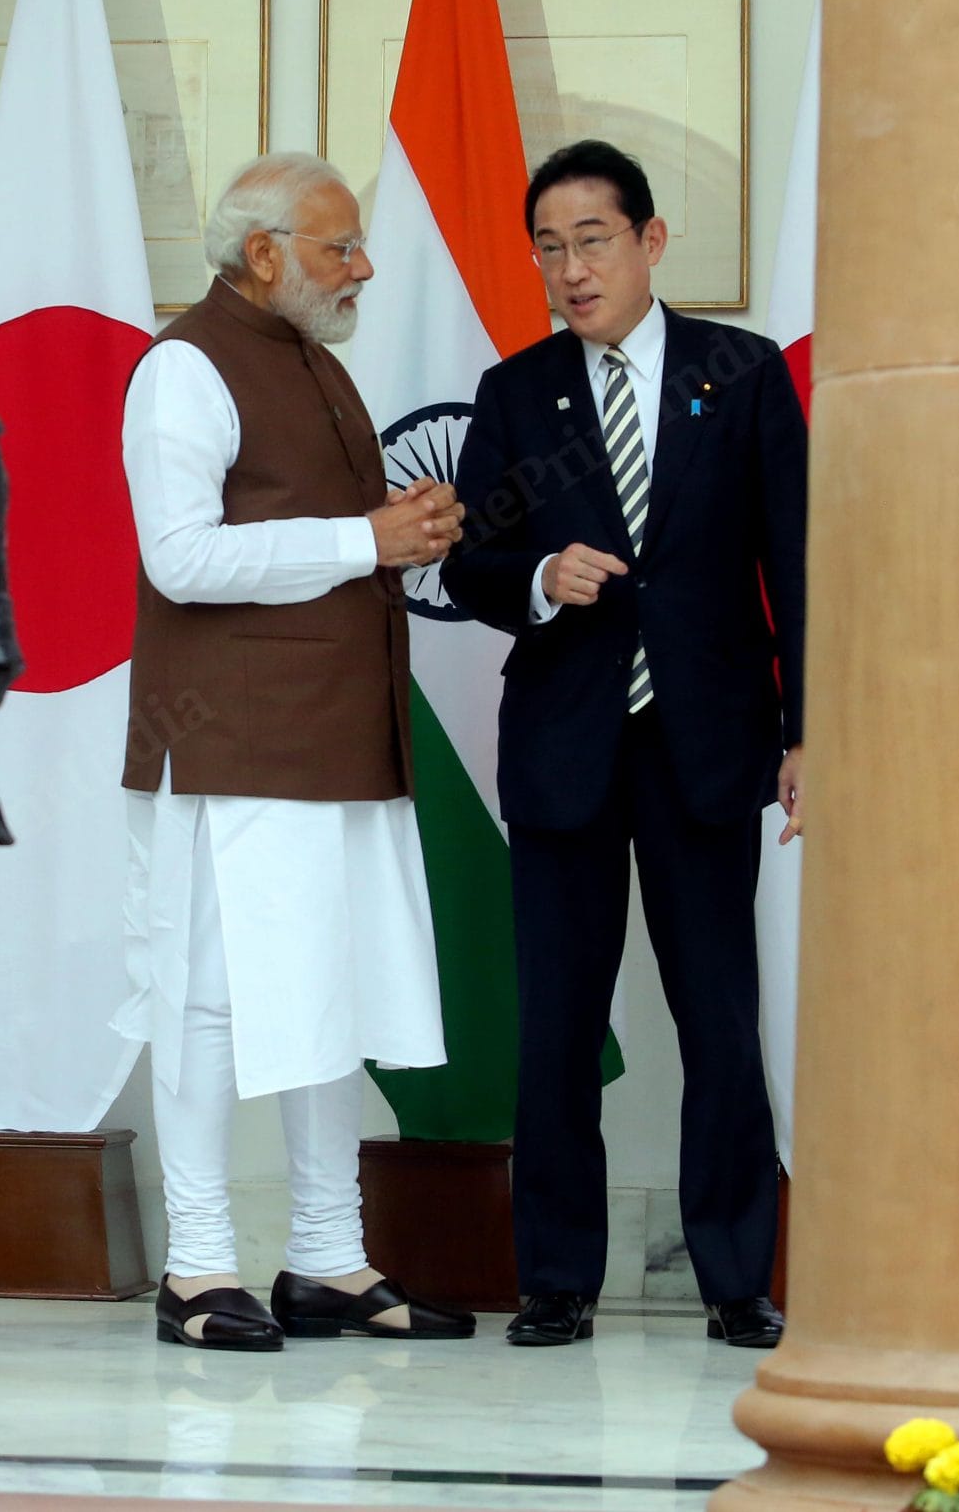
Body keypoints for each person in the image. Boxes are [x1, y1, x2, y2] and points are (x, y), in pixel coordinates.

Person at [445, 140, 806, 1349]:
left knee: (721, 1021)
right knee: (554, 1027)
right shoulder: (516, 392)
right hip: (566, 751)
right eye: (549, 249)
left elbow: (796, 560)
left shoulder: (739, 374)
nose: (571, 270)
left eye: (591, 240)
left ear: (649, 241)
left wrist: (807, 732)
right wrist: (539, 576)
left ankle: (737, 1279)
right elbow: (470, 564)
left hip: (707, 743)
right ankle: (555, 1280)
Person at [118, 153, 475, 1350]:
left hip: (337, 732)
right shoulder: (182, 367)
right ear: (263, 254)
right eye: (339, 247)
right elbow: (181, 560)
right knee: (211, 1000)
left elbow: (323, 538)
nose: (361, 266)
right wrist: (364, 538)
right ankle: (197, 1269)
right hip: (229, 740)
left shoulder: (314, 361)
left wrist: (403, 533)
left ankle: (326, 1258)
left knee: (334, 987)